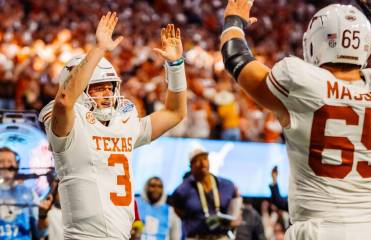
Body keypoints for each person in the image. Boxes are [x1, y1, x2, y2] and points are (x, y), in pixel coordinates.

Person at [220, 0, 371, 239]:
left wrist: (233, 21)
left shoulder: (300, 81)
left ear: (313, 43)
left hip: (319, 230)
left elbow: (238, 62)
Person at [39, 12, 187, 239]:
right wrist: (99, 48)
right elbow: (65, 101)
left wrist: (176, 66)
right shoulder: (68, 126)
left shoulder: (123, 124)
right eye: (98, 87)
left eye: (110, 86)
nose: (107, 93)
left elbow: (175, 112)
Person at [171, 147, 241, 240]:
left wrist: (234, 219)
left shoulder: (226, 185)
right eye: (197, 160)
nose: (202, 163)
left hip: (221, 237)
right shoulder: (183, 189)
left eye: (205, 159)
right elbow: (178, 210)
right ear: (191, 166)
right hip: (196, 237)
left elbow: (236, 205)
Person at [0, 147, 52, 240]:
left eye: (10, 161)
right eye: (2, 161)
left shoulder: (28, 192)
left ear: (17, 165)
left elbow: (40, 233)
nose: (7, 165)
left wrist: (42, 215)